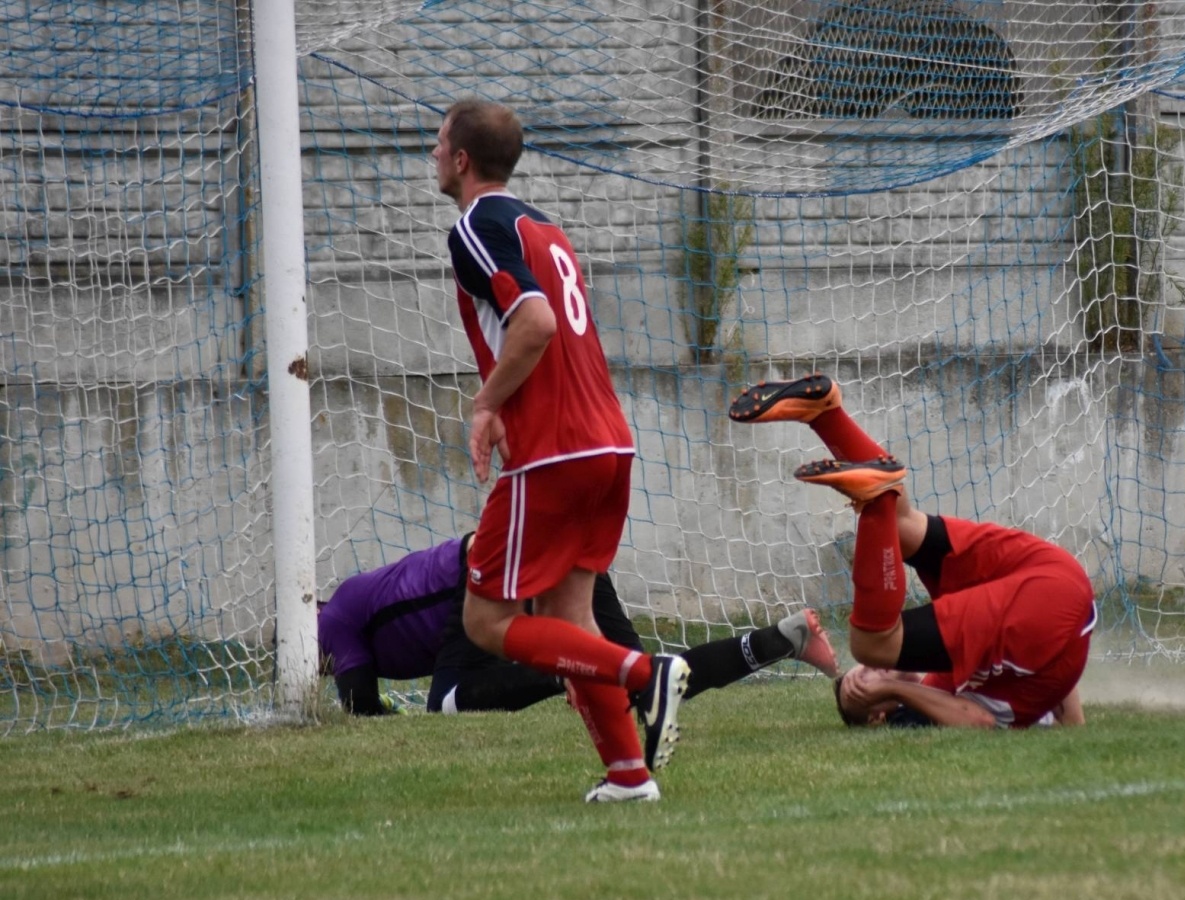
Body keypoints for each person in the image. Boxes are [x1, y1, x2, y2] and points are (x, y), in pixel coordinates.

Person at [434, 97, 687, 802]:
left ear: (460, 159)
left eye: (437, 143)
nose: (431, 155)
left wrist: (487, 402)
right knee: (570, 623)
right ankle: (628, 775)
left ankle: (645, 673)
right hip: (609, 443)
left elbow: (536, 321)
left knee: (487, 620)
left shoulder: (474, 225)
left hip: (554, 451)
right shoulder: (544, 227)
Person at [729, 374, 1096, 730]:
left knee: (877, 616)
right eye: (865, 685)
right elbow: (993, 717)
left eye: (869, 677)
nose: (879, 674)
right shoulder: (939, 689)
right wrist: (892, 689)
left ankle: (841, 438)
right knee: (891, 568)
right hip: (1058, 583)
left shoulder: (943, 672)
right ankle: (835, 428)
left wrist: (890, 686)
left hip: (1048, 591)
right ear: (878, 716)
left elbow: (1011, 704)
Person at [317, 534, 838, 717]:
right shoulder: (353, 609)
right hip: (549, 549)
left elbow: (359, 704)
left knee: (446, 704)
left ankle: (568, 670)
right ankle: (780, 639)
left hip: (484, 572)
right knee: (644, 681)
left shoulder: (333, 618)